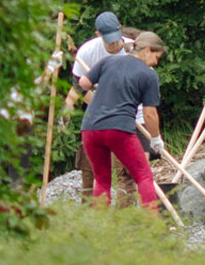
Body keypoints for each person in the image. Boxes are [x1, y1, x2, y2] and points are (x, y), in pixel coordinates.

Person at [78, 31, 167, 208]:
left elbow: (83, 83)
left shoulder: (108, 61)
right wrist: (156, 140)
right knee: (143, 176)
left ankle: (99, 223)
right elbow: (149, 113)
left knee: (102, 181)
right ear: (147, 50)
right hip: (118, 130)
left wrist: (99, 83)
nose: (156, 63)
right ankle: (152, 222)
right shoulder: (148, 75)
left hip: (90, 128)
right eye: (156, 57)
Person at [64, 11, 136, 199]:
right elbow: (78, 86)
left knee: (124, 170)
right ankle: (90, 209)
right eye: (108, 40)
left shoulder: (133, 50)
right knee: (90, 166)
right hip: (96, 113)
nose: (113, 44)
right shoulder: (87, 52)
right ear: (98, 34)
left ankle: (124, 212)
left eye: (116, 38)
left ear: (120, 28)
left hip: (125, 114)